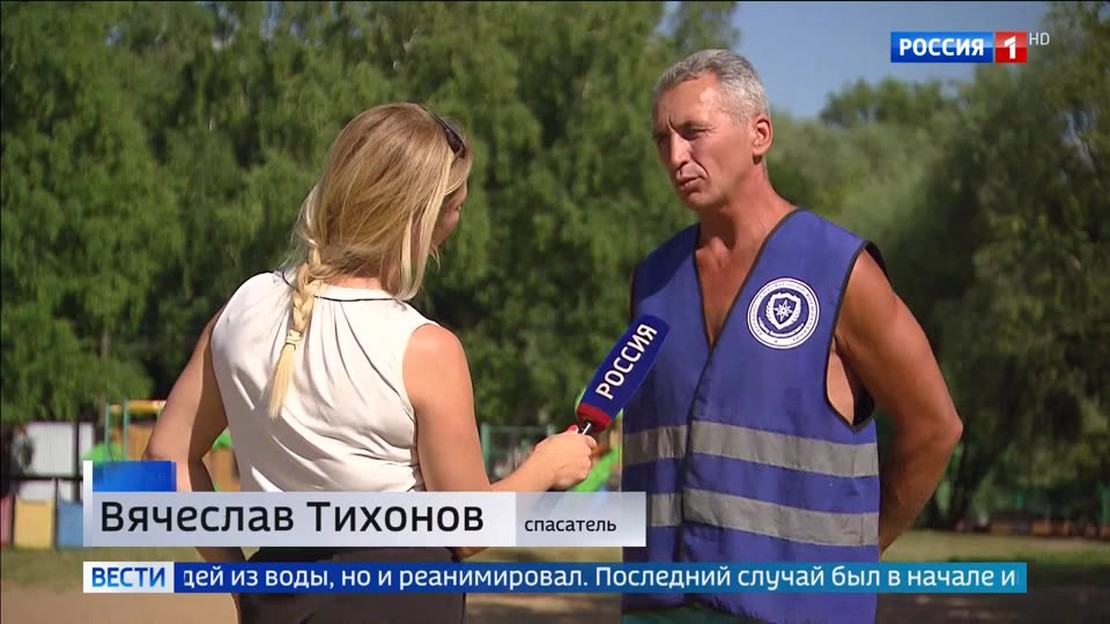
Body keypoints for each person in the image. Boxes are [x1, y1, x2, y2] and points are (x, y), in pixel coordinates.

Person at [143, 102, 597, 624]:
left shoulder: (241, 310)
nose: (457, 222)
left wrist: (240, 582)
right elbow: (468, 530)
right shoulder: (425, 349)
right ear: (420, 218)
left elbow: (164, 457)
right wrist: (546, 465)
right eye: (456, 207)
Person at [620, 50, 964, 623]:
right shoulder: (651, 282)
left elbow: (935, 427)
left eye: (694, 132)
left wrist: (858, 551)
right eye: (662, 139)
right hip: (659, 609)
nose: (676, 156)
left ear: (760, 135)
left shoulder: (840, 271)